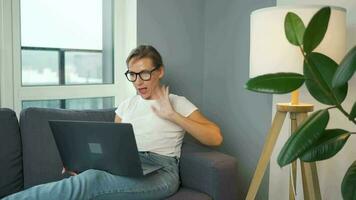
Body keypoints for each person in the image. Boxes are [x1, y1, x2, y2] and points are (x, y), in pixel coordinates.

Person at [2, 45, 222, 200]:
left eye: (144, 74)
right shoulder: (126, 105)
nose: (138, 82)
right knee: (89, 176)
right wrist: (84, 162)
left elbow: (215, 137)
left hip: (162, 171)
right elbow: (112, 149)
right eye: (132, 75)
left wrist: (173, 115)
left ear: (160, 71)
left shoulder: (176, 102)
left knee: (92, 182)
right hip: (127, 164)